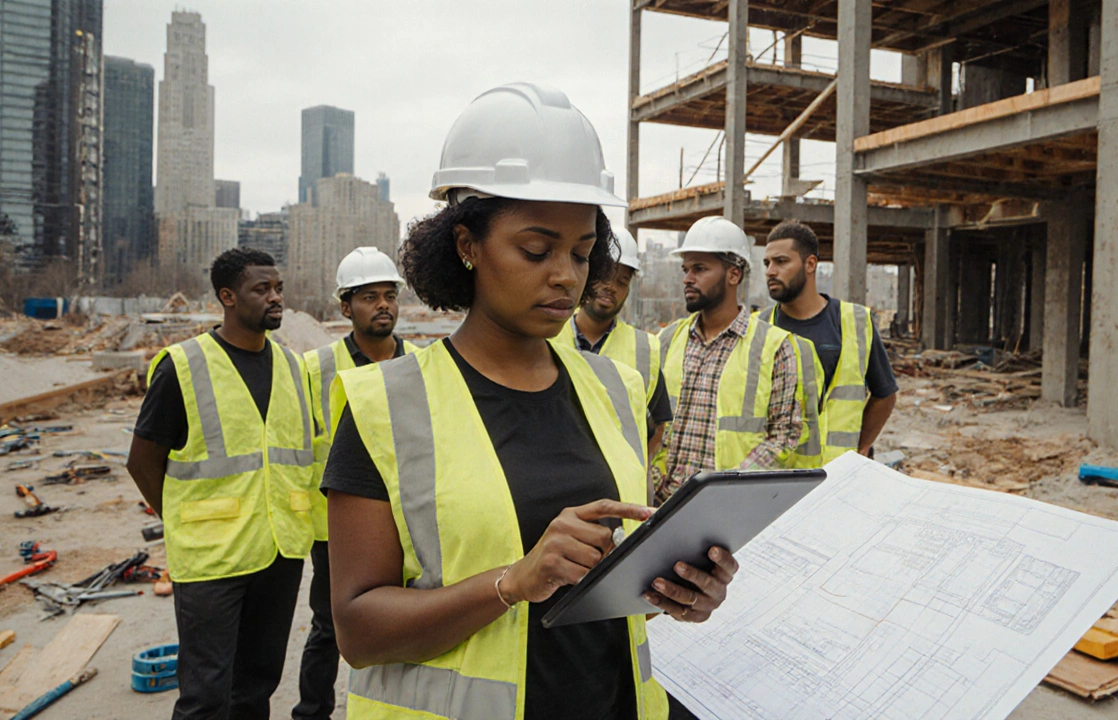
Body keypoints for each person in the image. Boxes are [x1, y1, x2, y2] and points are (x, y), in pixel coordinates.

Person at [322, 82, 737, 720]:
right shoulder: (389, 406)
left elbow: (617, 585)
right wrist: (511, 583)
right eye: (536, 250)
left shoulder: (615, 389)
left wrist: (679, 590)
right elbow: (357, 632)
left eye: (580, 252)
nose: (567, 275)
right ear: (466, 245)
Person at [126, 248, 315, 720]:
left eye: (278, 289)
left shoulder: (294, 368)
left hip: (279, 552)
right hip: (212, 560)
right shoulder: (183, 366)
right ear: (227, 297)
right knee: (206, 694)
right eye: (261, 289)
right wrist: (187, 520)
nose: (276, 299)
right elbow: (141, 461)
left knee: (256, 686)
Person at [295, 246, 418, 720]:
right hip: (338, 528)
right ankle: (312, 713)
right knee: (330, 629)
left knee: (405, 622)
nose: (383, 305)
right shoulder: (316, 369)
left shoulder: (423, 363)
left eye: (389, 295)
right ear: (346, 307)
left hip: (411, 518)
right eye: (369, 297)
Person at [654, 216, 804, 504]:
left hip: (728, 511)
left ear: (733, 275)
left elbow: (785, 434)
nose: (687, 278)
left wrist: (729, 491)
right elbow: (648, 423)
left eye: (700, 269)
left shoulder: (774, 346)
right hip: (661, 505)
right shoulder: (667, 340)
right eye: (686, 269)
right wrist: (653, 482)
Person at [761, 221, 899, 461]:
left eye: (781, 262)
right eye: (767, 263)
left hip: (841, 473)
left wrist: (862, 446)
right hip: (779, 477)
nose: (770, 271)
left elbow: (885, 393)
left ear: (810, 264)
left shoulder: (854, 321)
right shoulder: (759, 327)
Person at [554, 227, 673, 468]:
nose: (612, 287)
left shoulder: (644, 349)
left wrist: (639, 472)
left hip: (617, 488)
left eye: (622, 281)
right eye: (605, 275)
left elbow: (660, 426)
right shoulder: (548, 335)